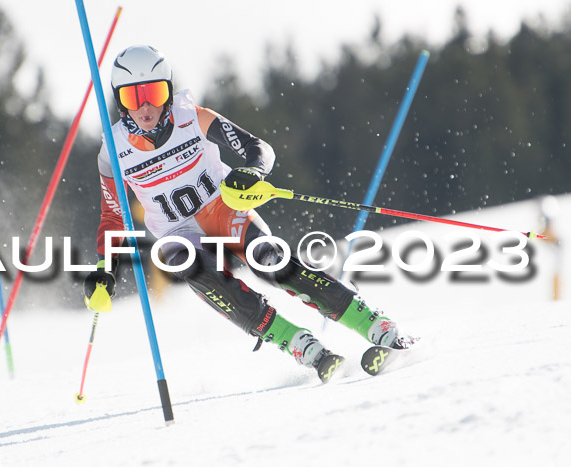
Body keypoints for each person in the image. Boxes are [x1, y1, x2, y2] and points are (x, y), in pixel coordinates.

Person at [84, 45, 415, 383]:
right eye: (132, 97)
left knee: (270, 262)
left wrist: (254, 170)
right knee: (188, 265)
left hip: (222, 208)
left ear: (168, 91)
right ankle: (297, 342)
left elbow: (259, 149)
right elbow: (113, 216)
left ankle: (376, 325)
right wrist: (104, 268)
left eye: (154, 92)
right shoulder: (113, 151)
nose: (145, 106)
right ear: (119, 100)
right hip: (176, 233)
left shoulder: (193, 118)